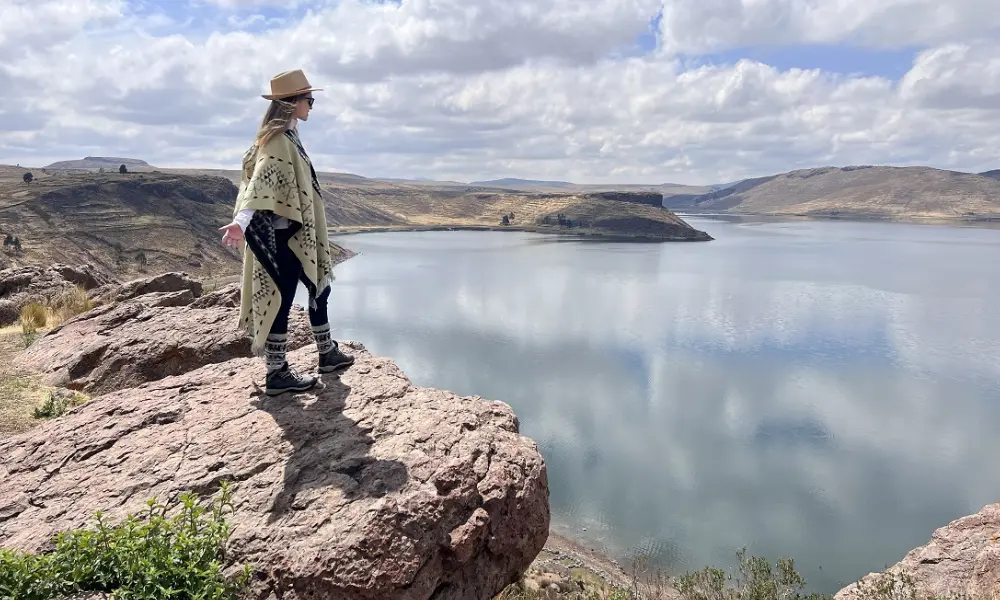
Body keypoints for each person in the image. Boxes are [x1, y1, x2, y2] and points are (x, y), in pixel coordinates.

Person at [219, 69, 354, 396]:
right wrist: (241, 221)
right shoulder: (278, 142)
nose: (312, 104)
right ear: (292, 103)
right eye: (309, 99)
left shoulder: (285, 137)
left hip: (293, 234)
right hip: (285, 237)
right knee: (282, 299)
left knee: (318, 286)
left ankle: (326, 354)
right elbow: (258, 184)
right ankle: (277, 373)